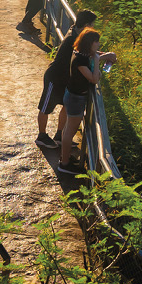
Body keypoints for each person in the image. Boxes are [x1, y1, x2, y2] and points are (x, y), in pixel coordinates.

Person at [36, 9, 96, 148]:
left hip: (66, 78)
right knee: (46, 107)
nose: (93, 27)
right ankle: (42, 136)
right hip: (55, 77)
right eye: (92, 25)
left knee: (65, 106)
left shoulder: (75, 31)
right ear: (87, 25)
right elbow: (85, 53)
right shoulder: (73, 39)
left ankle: (60, 135)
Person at [57, 28, 102, 174]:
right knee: (69, 131)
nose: (99, 44)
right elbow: (94, 79)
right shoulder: (81, 60)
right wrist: (97, 60)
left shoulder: (79, 53)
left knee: (68, 130)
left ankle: (65, 158)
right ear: (90, 43)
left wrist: (103, 56)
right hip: (76, 98)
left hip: (72, 95)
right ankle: (64, 164)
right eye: (97, 42)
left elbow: (93, 56)